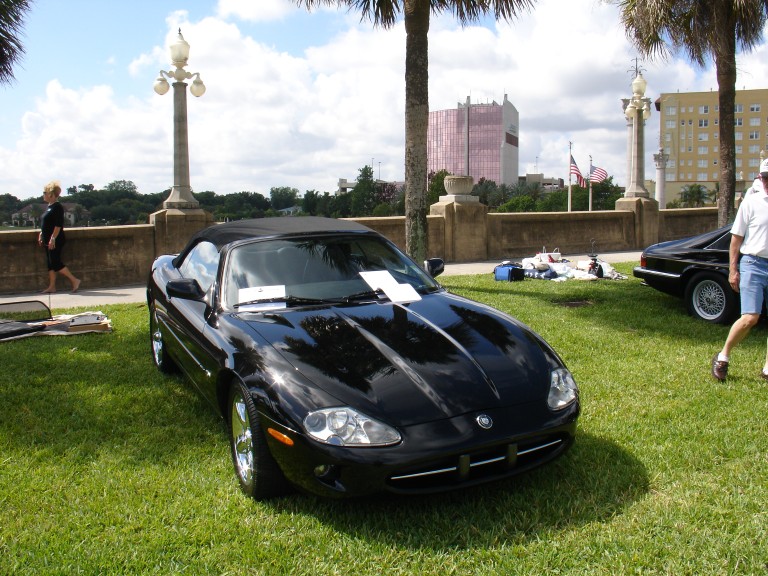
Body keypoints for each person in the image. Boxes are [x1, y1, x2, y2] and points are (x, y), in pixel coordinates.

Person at [711, 158, 768, 381]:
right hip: (753, 263)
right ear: (760, 178)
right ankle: (722, 357)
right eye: (765, 178)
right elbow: (736, 240)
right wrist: (732, 270)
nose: (767, 182)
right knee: (750, 317)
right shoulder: (751, 203)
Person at [38, 180, 80, 293]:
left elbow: (58, 225)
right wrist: (41, 234)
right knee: (50, 264)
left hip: (56, 239)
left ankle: (74, 280)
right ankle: (52, 286)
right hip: (48, 239)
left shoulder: (57, 207)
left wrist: (53, 238)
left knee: (55, 263)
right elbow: (47, 223)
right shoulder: (49, 206)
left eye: (45, 192)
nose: (43, 194)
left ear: (51, 194)